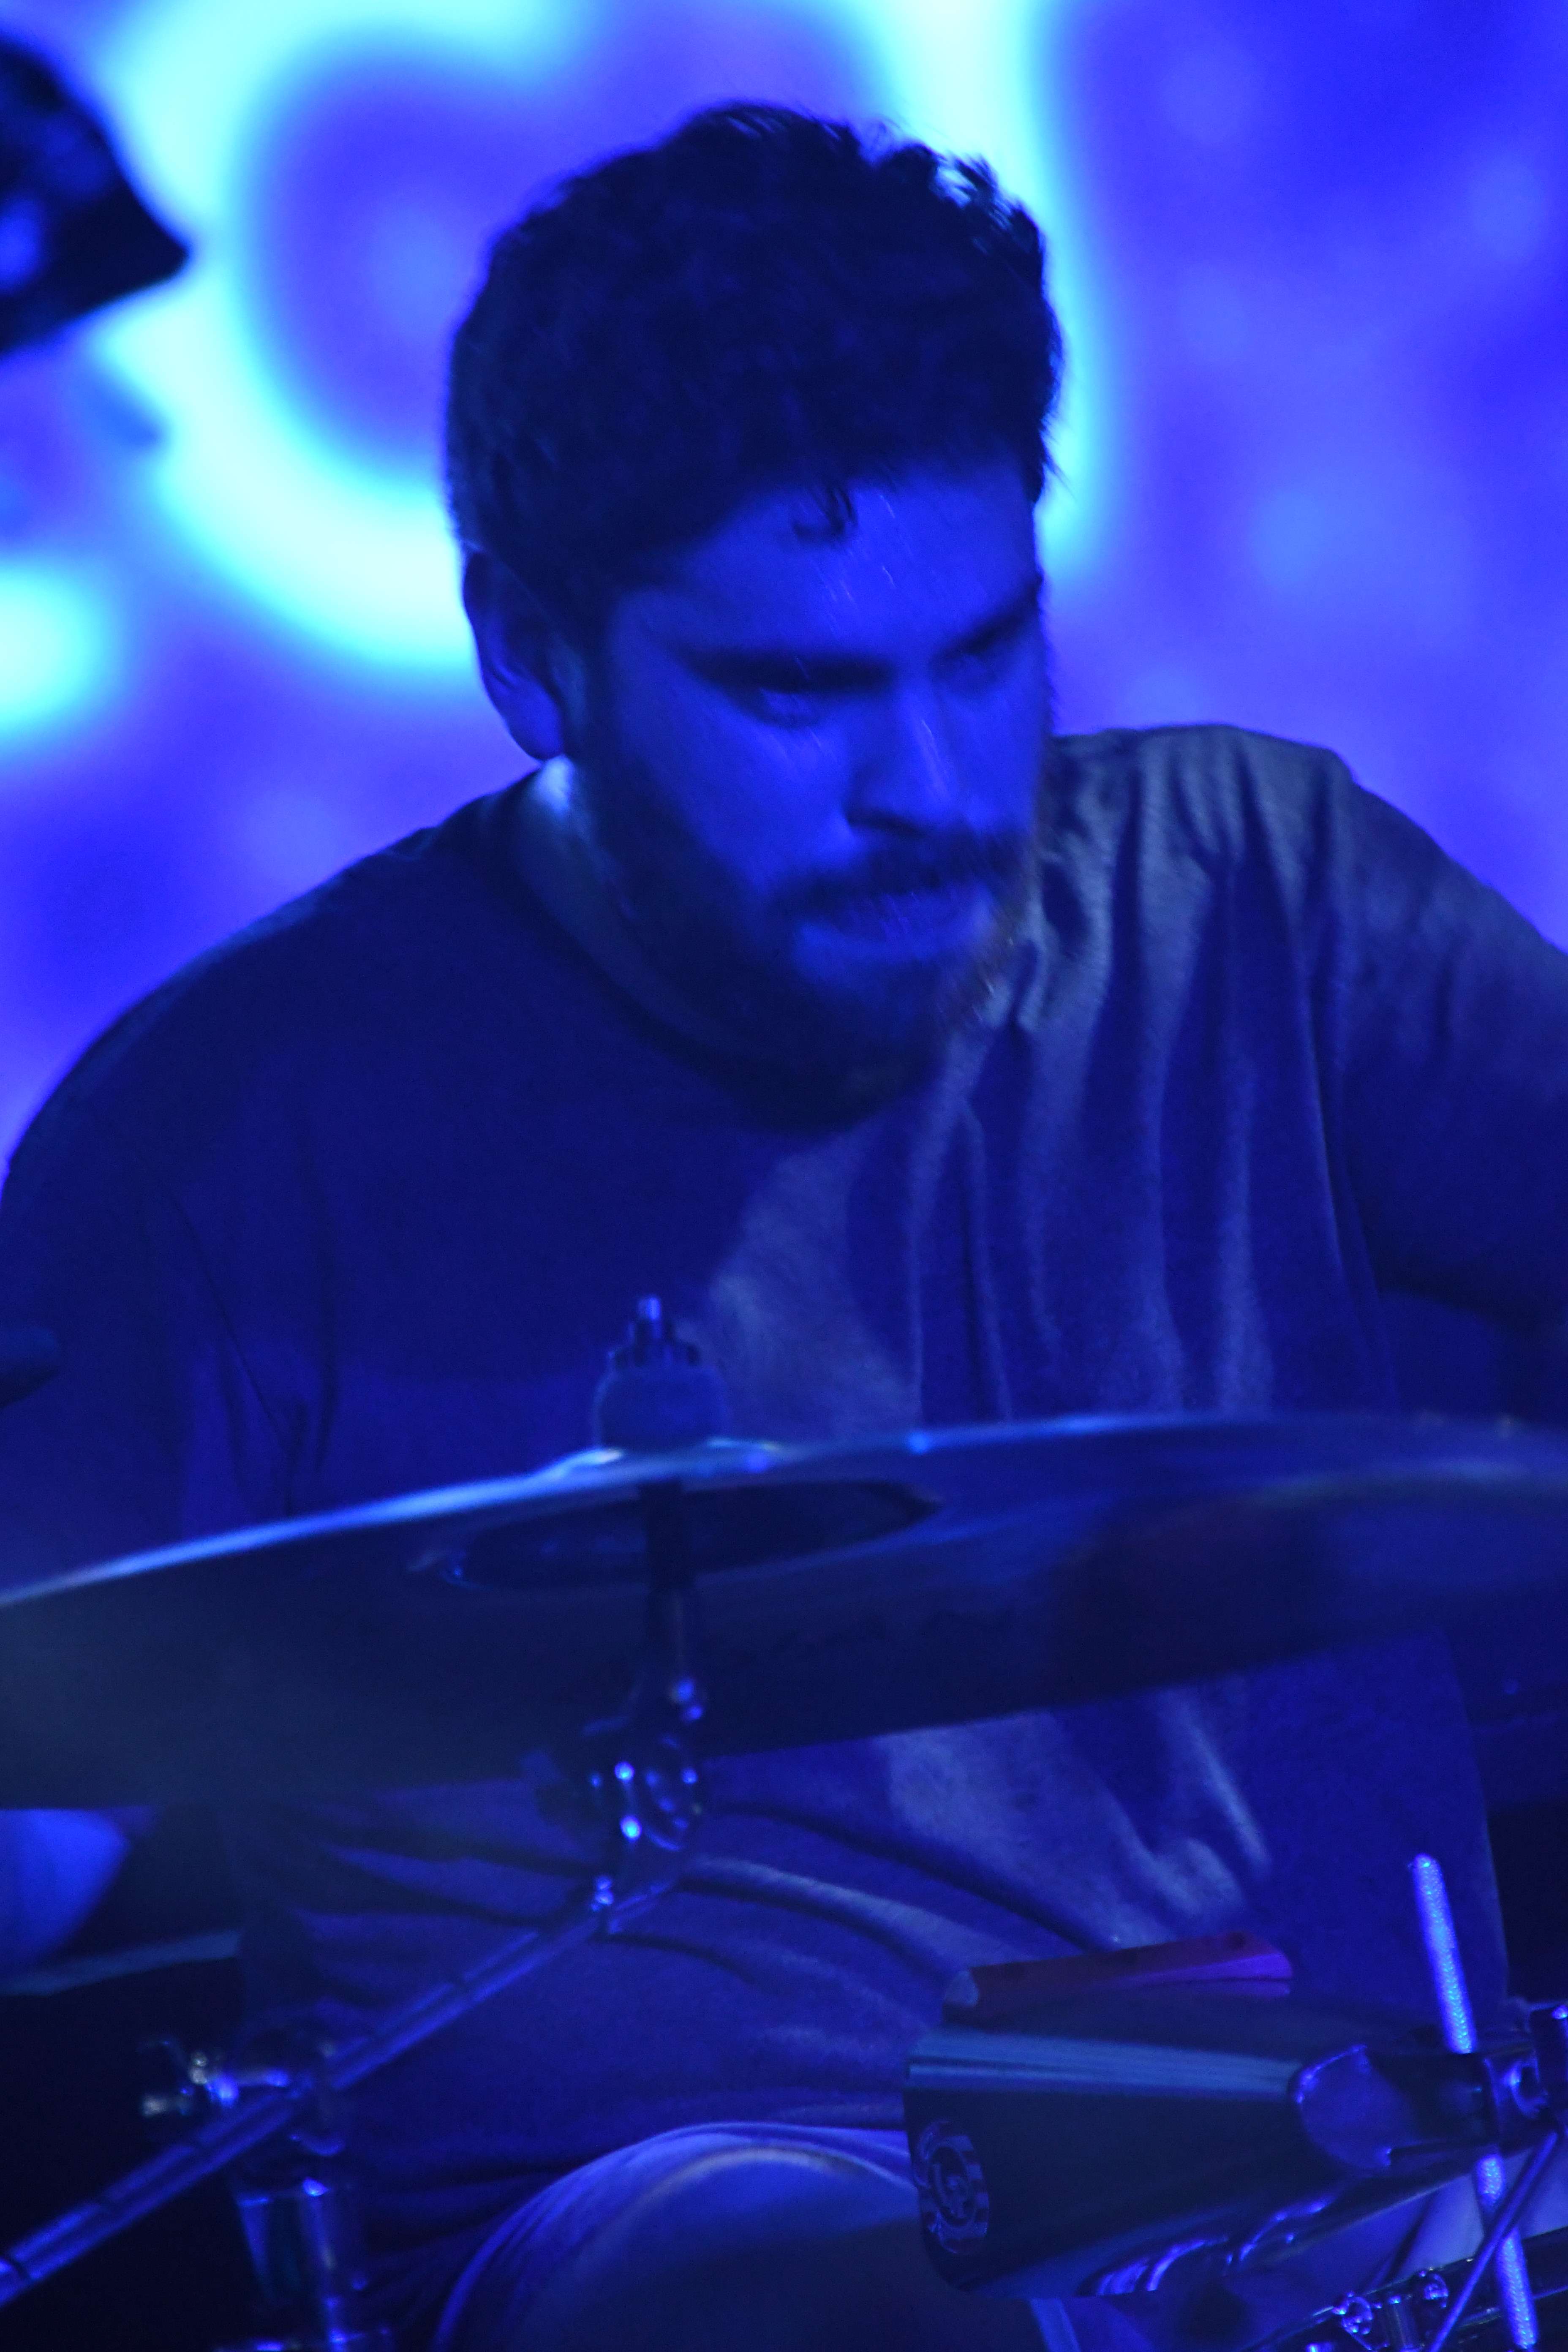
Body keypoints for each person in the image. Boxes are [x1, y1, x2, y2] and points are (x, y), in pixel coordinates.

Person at [2, 101, 1568, 2352]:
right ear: (531, 655)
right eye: (795, 690)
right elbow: (28, 1843)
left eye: (985, 653)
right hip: (683, 2211)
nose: (933, 789)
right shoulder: (227, 1124)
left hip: (1358, 2150)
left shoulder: (1254, 892)